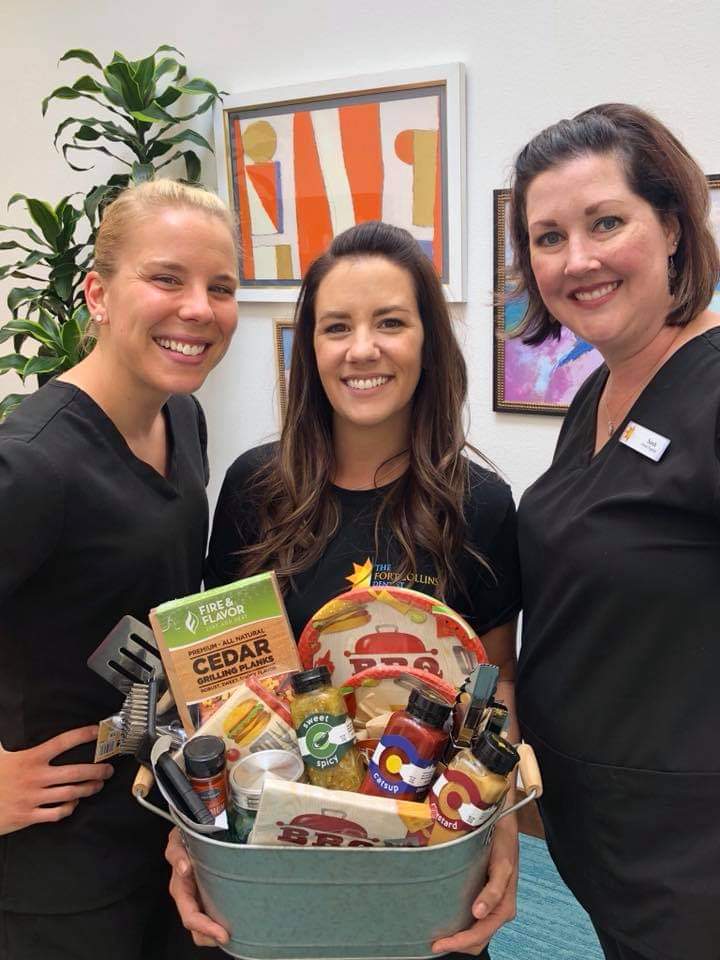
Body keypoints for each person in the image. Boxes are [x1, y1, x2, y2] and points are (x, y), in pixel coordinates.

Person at [166, 221, 522, 958]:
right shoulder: (253, 489)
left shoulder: (478, 505)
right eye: (337, 327)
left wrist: (503, 823)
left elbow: (497, 684)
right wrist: (191, 834)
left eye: (390, 322)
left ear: (428, 341)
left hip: (421, 867)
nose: (363, 349)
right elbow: (212, 693)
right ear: (310, 348)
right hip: (268, 864)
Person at [0, 178, 239, 959]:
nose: (198, 308)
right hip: (56, 861)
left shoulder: (183, 416)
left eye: (221, 286)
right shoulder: (31, 467)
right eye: (167, 278)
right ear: (97, 294)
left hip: (162, 811)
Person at [510, 103, 720, 960]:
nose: (578, 260)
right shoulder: (601, 394)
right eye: (549, 236)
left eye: (606, 223)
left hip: (693, 857)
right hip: (600, 837)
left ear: (671, 226)